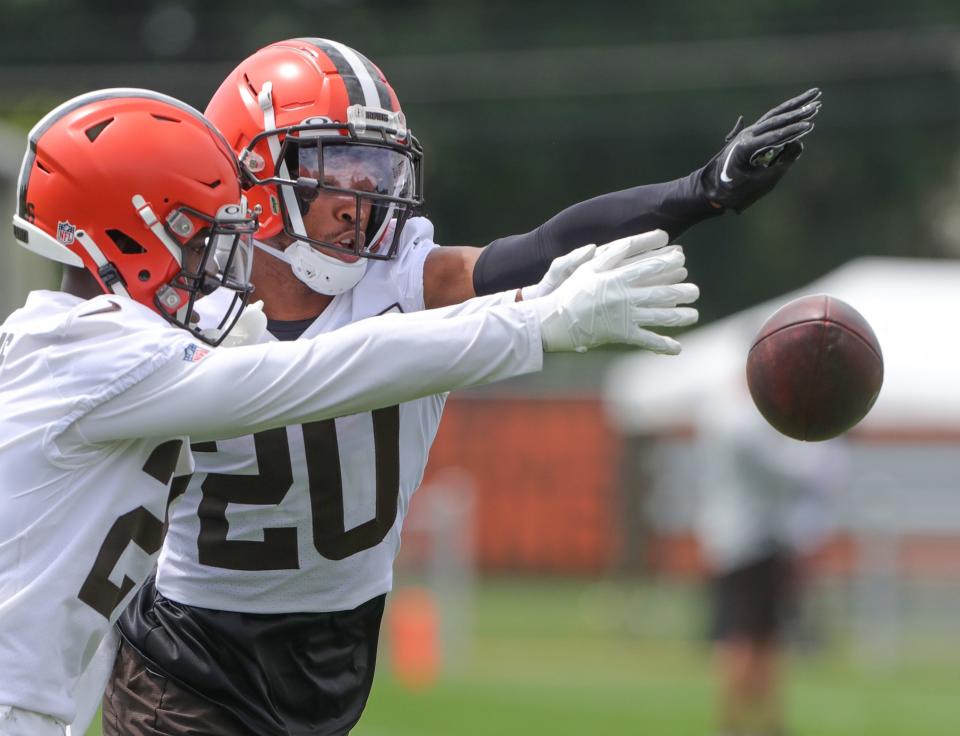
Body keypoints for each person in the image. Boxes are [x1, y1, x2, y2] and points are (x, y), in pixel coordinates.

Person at [106, 39, 820, 736]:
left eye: (375, 171)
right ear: (254, 174)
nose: (363, 199)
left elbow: (544, 249)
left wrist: (699, 192)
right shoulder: (184, 314)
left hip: (336, 648)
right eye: (337, 167)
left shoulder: (403, 277)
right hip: (186, 653)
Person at [0, 87, 699, 736]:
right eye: (195, 236)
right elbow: (317, 372)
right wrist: (536, 322)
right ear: (126, 233)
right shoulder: (101, 355)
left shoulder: (75, 345)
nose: (213, 264)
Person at [695, 382, 838, 736]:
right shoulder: (742, 421)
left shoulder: (718, 414)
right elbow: (785, 472)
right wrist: (821, 447)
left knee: (760, 637)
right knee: (748, 637)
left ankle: (762, 724)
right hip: (751, 543)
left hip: (735, 541)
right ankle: (735, 723)